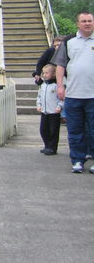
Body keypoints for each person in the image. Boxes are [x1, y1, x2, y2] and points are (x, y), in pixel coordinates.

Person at [52, 11, 94, 173]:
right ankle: (77, 160)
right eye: (83, 21)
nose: (87, 23)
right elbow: (60, 66)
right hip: (74, 94)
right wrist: (60, 86)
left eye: (90, 21)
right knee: (75, 130)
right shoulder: (69, 43)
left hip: (92, 95)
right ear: (78, 24)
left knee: (93, 130)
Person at [36, 64, 63, 155]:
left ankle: (52, 147)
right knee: (43, 130)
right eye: (43, 73)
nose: (44, 75)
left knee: (53, 131)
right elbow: (39, 96)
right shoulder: (43, 85)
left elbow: (61, 98)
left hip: (54, 112)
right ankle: (47, 145)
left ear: (53, 74)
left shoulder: (56, 86)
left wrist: (59, 106)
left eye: (47, 73)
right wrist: (39, 105)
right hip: (44, 111)